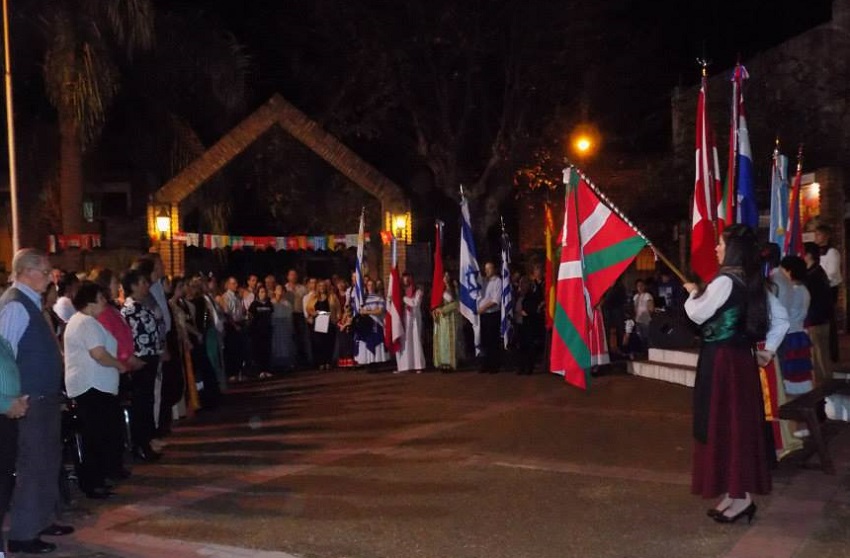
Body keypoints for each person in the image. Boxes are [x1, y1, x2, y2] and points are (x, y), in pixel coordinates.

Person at [683, 225, 788, 524]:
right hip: (736, 362)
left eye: (719, 244)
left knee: (726, 425)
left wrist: (692, 293)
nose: (716, 249)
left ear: (732, 250)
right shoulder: (752, 281)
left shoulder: (725, 282)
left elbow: (698, 314)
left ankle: (742, 498)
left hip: (724, 363)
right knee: (732, 426)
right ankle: (735, 493)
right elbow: (780, 319)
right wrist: (768, 351)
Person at [0, 249, 72, 554]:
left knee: (47, 461)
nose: (50, 278)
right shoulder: (15, 305)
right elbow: (5, 353)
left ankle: (41, 519)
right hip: (28, 400)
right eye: (46, 272)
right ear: (28, 271)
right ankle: (23, 532)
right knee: (32, 464)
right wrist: (12, 397)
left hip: (44, 396)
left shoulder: (30, 303)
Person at [64, 282, 129, 499]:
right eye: (101, 298)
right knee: (96, 436)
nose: (105, 302)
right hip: (92, 387)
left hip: (96, 386)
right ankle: (93, 482)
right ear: (90, 302)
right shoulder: (85, 323)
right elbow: (98, 353)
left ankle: (98, 478)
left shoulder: (85, 322)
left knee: (101, 434)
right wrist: (118, 365)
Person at [120, 269, 163, 462]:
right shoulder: (128, 311)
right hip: (139, 361)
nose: (147, 286)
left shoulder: (143, 307)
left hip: (150, 357)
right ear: (134, 286)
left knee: (147, 402)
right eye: (143, 283)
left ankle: (148, 441)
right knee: (141, 404)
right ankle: (141, 444)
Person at [0, 333, 27, 555]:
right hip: (3, 409)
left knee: (4, 480)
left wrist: (16, 399)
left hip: (6, 416)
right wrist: (5, 402)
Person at [803, 242, 832, 385]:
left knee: (817, 359)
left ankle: (822, 390)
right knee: (822, 358)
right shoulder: (818, 272)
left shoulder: (812, 275)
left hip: (815, 321)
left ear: (808, 255)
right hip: (822, 320)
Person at [814, 224, 842, 362]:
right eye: (816, 234)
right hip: (820, 289)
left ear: (826, 236)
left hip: (829, 289)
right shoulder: (816, 252)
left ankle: (832, 353)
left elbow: (831, 272)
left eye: (819, 234)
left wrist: (820, 278)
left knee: (830, 322)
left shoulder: (832, 252)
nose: (816, 237)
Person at [354, 279, 390, 367]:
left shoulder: (379, 297)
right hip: (366, 325)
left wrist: (367, 312)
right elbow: (359, 310)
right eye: (369, 285)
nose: (370, 286)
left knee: (376, 341)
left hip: (376, 323)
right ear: (366, 286)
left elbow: (380, 311)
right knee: (366, 341)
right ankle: (368, 361)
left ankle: (376, 361)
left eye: (372, 284)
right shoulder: (363, 299)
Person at [306, 280, 339, 370]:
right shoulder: (313, 297)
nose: (322, 288)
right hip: (318, 321)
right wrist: (313, 313)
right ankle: (321, 362)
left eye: (323, 286)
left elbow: (338, 308)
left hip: (329, 322)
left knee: (329, 342)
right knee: (319, 343)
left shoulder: (332, 296)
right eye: (320, 286)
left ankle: (328, 361)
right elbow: (308, 308)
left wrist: (337, 319)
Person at [396, 272, 425, 373]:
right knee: (406, 341)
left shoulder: (418, 290)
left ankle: (418, 365)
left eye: (408, 278)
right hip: (405, 318)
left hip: (414, 318)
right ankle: (406, 365)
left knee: (416, 340)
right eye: (404, 279)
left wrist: (404, 298)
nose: (406, 280)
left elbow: (415, 303)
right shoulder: (401, 291)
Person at [478, 262, 502, 374]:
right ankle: (485, 364)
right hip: (483, 315)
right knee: (484, 340)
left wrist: (483, 308)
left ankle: (494, 365)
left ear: (494, 269)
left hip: (492, 314)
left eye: (489, 269)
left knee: (493, 340)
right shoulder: (483, 281)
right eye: (485, 269)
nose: (487, 271)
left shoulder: (497, 281)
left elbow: (495, 300)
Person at [433, 272, 459, 371]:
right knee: (442, 340)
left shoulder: (453, 289)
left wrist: (443, 309)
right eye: (444, 276)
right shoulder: (439, 290)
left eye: (448, 275)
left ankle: (450, 363)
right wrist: (436, 310)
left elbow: (456, 303)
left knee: (449, 340)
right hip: (441, 319)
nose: (446, 277)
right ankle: (442, 363)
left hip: (450, 317)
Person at [248, 285, 274, 378]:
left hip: (267, 330)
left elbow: (271, 315)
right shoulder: (254, 304)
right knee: (258, 351)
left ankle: (267, 369)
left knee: (267, 350)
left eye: (264, 292)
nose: (263, 294)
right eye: (261, 292)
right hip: (257, 332)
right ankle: (260, 370)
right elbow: (250, 317)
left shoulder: (269, 304)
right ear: (258, 293)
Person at [270, 284, 295, 372]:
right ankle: (276, 364)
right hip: (275, 325)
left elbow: (289, 316)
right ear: (274, 291)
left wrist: (290, 327)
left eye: (281, 289)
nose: (280, 291)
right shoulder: (271, 303)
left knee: (285, 344)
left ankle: (285, 363)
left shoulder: (287, 303)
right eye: (278, 289)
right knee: (276, 344)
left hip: (284, 325)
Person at [633, 279, 654, 351]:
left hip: (645, 319)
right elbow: (635, 308)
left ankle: (649, 351)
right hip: (638, 319)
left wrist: (648, 316)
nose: (640, 287)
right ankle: (643, 351)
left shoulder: (648, 295)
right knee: (640, 336)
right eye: (638, 286)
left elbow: (651, 308)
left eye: (641, 285)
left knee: (647, 336)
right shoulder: (635, 296)